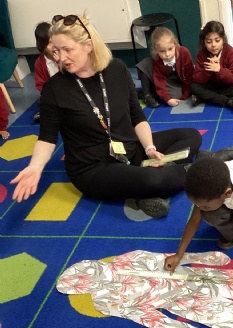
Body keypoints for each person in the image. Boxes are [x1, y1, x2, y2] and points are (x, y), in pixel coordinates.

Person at [10, 14, 204, 218]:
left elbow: (137, 117)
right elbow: (47, 138)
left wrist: (150, 149)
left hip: (129, 148)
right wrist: (35, 167)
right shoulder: (54, 88)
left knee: (191, 136)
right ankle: (198, 170)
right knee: (156, 179)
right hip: (94, 168)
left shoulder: (117, 68)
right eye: (56, 50)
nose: (60, 58)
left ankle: (146, 186)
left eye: (67, 50)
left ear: (88, 45)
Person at [191, 21, 233, 111]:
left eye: (217, 40)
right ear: (204, 42)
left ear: (223, 39)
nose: (213, 45)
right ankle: (228, 101)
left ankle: (202, 98)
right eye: (209, 42)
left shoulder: (230, 52)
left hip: (226, 85)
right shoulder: (202, 54)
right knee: (193, 87)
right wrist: (208, 70)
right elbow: (197, 79)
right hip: (211, 85)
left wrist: (219, 70)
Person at [136, 27, 194, 108]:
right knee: (144, 64)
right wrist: (167, 99)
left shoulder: (184, 52)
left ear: (175, 44)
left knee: (176, 95)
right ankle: (146, 95)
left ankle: (147, 92)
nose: (167, 54)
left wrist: (186, 93)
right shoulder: (157, 58)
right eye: (162, 51)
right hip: (162, 79)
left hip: (175, 82)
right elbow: (159, 80)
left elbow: (189, 75)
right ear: (156, 51)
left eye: (170, 49)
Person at [33, 22, 60, 121]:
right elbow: (40, 84)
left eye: (54, 41)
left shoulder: (64, 56)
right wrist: (49, 93)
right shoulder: (39, 63)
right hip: (53, 93)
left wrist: (60, 63)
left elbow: (72, 76)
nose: (53, 46)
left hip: (69, 90)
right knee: (42, 101)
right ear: (42, 46)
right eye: (49, 43)